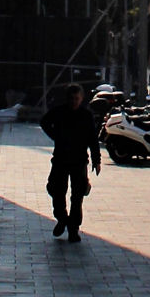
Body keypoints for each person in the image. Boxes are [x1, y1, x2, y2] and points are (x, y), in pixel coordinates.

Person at [40, 83, 102, 243]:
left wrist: (96, 160)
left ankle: (73, 229)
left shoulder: (86, 116)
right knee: (56, 190)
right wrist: (56, 136)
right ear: (67, 99)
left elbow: (93, 139)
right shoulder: (59, 112)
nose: (74, 101)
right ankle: (62, 219)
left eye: (77, 98)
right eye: (71, 98)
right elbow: (44, 122)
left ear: (81, 99)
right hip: (61, 158)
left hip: (79, 160)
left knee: (78, 195)